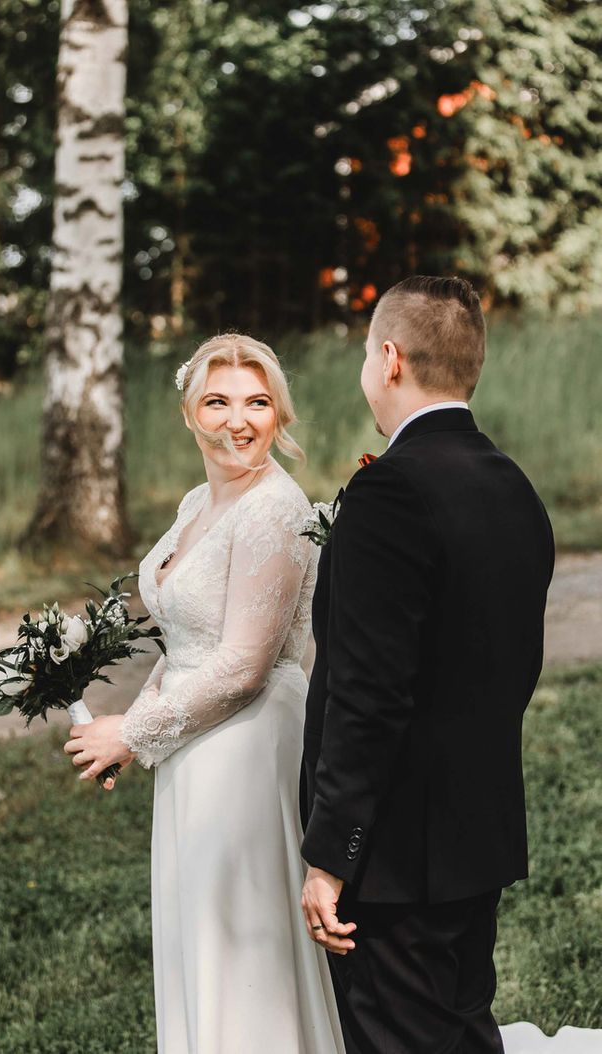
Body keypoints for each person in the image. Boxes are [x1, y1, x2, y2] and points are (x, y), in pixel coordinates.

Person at [64, 334, 345, 1054]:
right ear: (189, 414)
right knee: (202, 931)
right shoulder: (198, 502)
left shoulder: (274, 509)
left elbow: (245, 665)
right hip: (194, 742)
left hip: (247, 747)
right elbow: (186, 646)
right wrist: (136, 729)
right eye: (217, 402)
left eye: (257, 403)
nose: (237, 422)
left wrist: (132, 732)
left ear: (279, 415)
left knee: (243, 942)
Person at [300, 275, 556, 1054]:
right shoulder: (511, 485)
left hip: (394, 857)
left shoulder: (388, 492)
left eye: (364, 356)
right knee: (462, 1030)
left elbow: (367, 694)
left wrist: (331, 857)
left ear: (389, 359)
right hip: (476, 835)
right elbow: (515, 665)